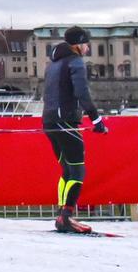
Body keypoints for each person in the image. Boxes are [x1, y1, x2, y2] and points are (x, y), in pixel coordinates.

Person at [42, 26, 108, 233]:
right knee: (78, 170)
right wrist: (96, 119)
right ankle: (66, 216)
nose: (88, 47)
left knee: (67, 170)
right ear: (78, 44)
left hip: (49, 121)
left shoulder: (52, 63)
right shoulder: (75, 62)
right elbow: (81, 92)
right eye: (87, 43)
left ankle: (63, 214)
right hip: (66, 121)